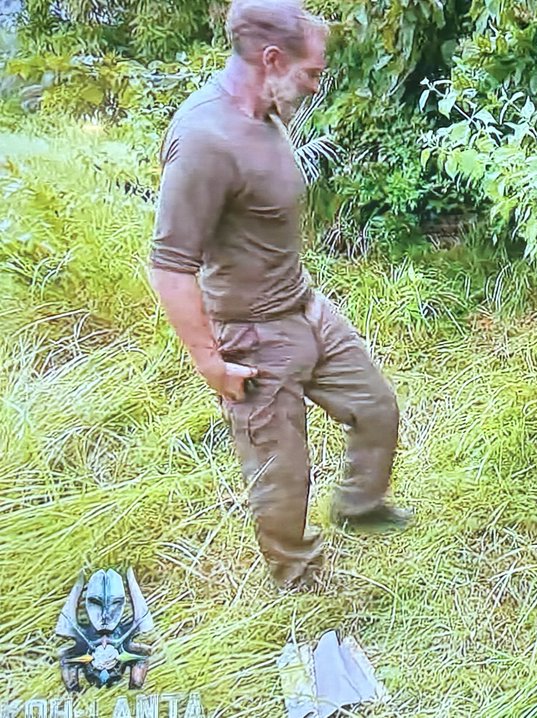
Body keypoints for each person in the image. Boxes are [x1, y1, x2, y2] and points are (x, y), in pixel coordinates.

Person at [148, 0, 412, 590]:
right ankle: (295, 576)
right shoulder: (205, 140)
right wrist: (210, 363)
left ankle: (358, 506)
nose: (317, 84)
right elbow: (169, 266)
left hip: (304, 306)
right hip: (252, 332)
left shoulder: (267, 110)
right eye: (312, 72)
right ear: (271, 59)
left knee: (376, 408)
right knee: (283, 476)